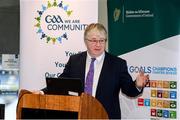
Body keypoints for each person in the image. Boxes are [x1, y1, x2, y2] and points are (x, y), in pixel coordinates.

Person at [35, 23, 149, 119]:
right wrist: (42, 92)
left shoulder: (117, 64)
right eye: (94, 40)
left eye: (102, 40)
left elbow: (128, 90)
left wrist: (137, 85)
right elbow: (60, 84)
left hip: (105, 116)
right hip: (78, 115)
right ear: (86, 41)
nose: (98, 45)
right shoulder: (75, 61)